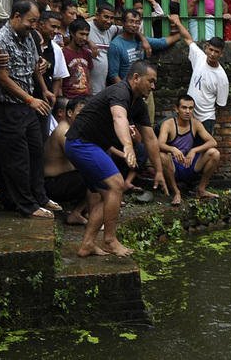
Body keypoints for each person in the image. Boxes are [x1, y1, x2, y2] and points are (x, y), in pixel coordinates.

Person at [65, 59, 168, 257]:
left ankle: (87, 245)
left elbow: (150, 138)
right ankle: (109, 240)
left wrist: (159, 170)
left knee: (106, 194)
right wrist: (127, 146)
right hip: (81, 143)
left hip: (91, 146)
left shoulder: (139, 105)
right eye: (151, 81)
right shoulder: (120, 92)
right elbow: (118, 117)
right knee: (116, 184)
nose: (154, 86)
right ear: (136, 78)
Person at [0, 0, 60, 218]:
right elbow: (3, 80)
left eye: (37, 21)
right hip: (7, 107)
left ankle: (39, 196)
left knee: (36, 152)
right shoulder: (1, 39)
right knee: (16, 159)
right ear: (17, 16)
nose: (34, 26)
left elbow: (34, 64)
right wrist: (30, 99)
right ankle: (26, 205)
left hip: (27, 106)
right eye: (31, 20)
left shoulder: (28, 36)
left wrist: (44, 89)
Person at [108, 9, 180, 123]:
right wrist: (126, 91)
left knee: (147, 124)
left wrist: (181, 33)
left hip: (145, 90)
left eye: (137, 22)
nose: (134, 25)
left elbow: (163, 42)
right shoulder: (116, 45)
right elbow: (113, 75)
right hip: (128, 93)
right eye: (131, 22)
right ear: (122, 23)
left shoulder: (141, 41)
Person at [169, 14, 229, 136]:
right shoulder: (200, 58)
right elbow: (188, 39)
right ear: (206, 48)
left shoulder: (222, 77)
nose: (212, 54)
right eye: (210, 50)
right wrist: (177, 22)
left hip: (206, 119)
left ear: (221, 54)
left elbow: (220, 103)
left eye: (216, 52)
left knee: (204, 150)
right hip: (187, 115)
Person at [158, 95, 221, 206]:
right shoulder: (168, 124)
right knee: (163, 155)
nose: (188, 111)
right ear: (176, 109)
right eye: (184, 108)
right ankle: (176, 192)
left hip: (188, 164)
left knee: (214, 153)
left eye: (191, 108)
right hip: (173, 167)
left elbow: (213, 142)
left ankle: (201, 190)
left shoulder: (195, 123)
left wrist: (194, 151)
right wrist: (172, 149)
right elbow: (159, 144)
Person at [44, 98, 98, 225]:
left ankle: (78, 213)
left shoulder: (73, 129)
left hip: (61, 180)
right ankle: (93, 219)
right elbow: (83, 160)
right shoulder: (65, 131)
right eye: (81, 113)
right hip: (52, 184)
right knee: (96, 176)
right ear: (69, 113)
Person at [35, 10, 69, 138]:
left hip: (44, 103)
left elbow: (57, 78)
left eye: (58, 28)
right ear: (41, 25)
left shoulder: (56, 50)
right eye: (53, 26)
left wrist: (52, 101)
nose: (56, 31)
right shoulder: (30, 44)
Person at [61, 18, 93, 99]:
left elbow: (88, 79)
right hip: (70, 99)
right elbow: (59, 82)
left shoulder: (86, 53)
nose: (85, 38)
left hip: (85, 99)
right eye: (81, 34)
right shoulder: (63, 53)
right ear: (72, 33)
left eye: (87, 35)